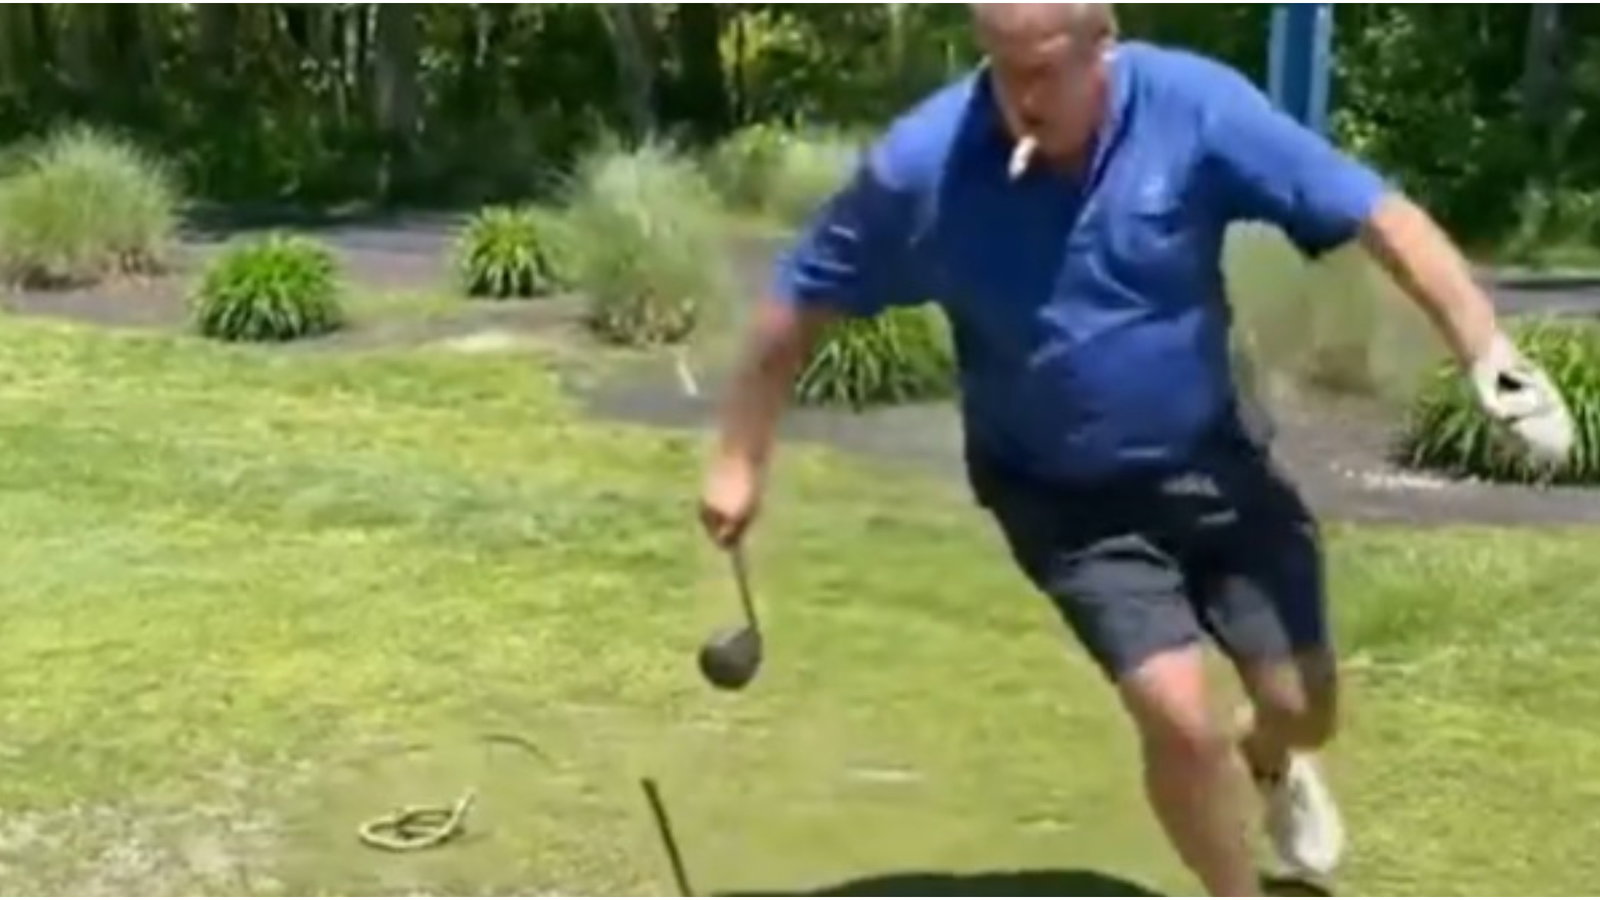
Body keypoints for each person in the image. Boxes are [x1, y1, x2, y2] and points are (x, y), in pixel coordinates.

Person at [697, 4, 1574, 896]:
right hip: (1062, 499)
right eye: (1000, 68)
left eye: (1041, 69)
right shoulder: (926, 169)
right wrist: (738, 458)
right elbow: (796, 303)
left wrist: (1485, 350)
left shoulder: (1192, 108)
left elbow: (1378, 213)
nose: (1019, 98)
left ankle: (1270, 759)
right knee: (1177, 721)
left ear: (1101, 42)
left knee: (1302, 708)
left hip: (1214, 461)